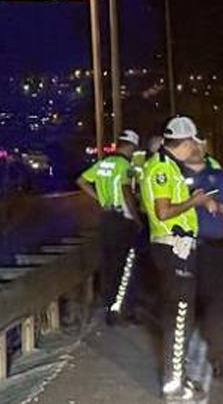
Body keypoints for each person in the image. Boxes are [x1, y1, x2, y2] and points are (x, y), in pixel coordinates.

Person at [142, 116, 219, 403]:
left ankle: (177, 376)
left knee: (181, 316)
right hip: (173, 249)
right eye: (194, 143)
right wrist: (193, 202)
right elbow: (163, 212)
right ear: (185, 142)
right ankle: (174, 384)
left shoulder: (169, 166)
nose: (196, 148)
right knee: (179, 317)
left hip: (179, 249)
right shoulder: (162, 168)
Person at [182, 150, 223, 382]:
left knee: (218, 306)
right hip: (182, 249)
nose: (194, 147)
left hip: (213, 250)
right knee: (182, 305)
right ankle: (178, 367)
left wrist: (217, 206)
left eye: (197, 142)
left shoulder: (219, 177)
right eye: (190, 142)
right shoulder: (173, 174)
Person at [76, 129, 143, 326]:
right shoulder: (125, 165)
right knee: (126, 267)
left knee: (109, 265)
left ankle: (110, 310)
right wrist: (137, 219)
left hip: (106, 218)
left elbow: (81, 181)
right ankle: (123, 311)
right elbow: (126, 192)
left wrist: (100, 199)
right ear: (131, 146)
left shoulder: (103, 163)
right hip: (122, 220)